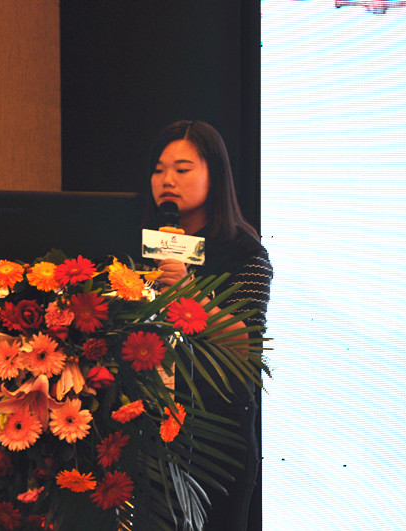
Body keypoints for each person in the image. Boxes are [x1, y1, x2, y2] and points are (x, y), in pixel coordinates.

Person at [146, 119, 273, 531]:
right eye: (159, 169)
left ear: (214, 176)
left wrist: (188, 293)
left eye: (182, 169)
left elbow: (245, 345)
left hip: (216, 442)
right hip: (147, 434)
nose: (167, 180)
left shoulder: (245, 253)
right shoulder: (144, 245)